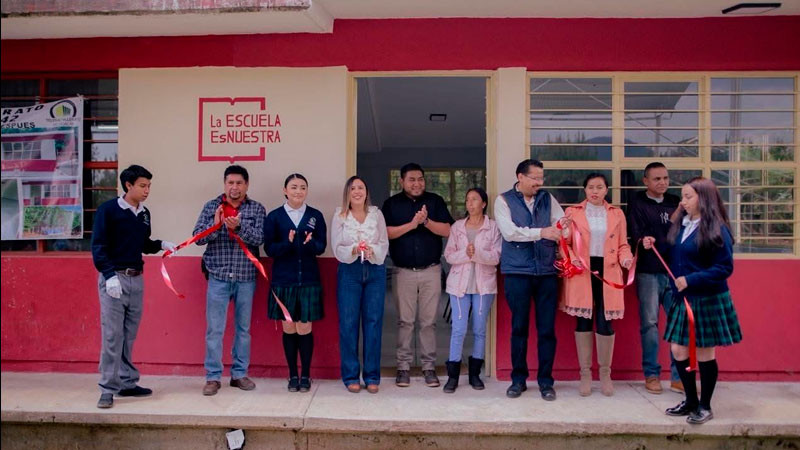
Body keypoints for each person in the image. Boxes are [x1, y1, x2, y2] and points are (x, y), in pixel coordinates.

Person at [643, 177, 742, 424]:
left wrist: (691, 279)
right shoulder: (683, 223)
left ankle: (705, 406)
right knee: (678, 349)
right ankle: (690, 401)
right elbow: (674, 251)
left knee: (705, 352)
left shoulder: (717, 227)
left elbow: (724, 267)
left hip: (706, 297)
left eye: (688, 197)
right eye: (683, 196)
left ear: (704, 198)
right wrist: (655, 243)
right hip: (683, 297)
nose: (683, 201)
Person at [91, 164, 175, 408]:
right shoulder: (108, 210)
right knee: (112, 335)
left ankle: (127, 383)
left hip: (136, 278)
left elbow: (143, 244)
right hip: (113, 280)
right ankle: (107, 388)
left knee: (129, 335)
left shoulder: (144, 213)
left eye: (149, 186)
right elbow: (98, 247)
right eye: (142, 185)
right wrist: (109, 276)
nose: (147, 190)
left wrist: (160, 244)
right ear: (128, 185)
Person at [494, 159, 564, 401]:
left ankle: (546, 381)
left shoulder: (548, 198)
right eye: (534, 177)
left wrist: (563, 229)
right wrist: (542, 232)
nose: (539, 182)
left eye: (541, 178)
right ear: (520, 177)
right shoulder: (503, 200)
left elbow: (560, 224)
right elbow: (509, 231)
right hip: (517, 273)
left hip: (546, 272)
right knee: (519, 328)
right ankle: (518, 380)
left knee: (547, 330)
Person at [193, 165, 265, 396]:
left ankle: (239, 374)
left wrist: (240, 227)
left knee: (243, 329)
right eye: (230, 183)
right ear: (225, 184)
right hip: (218, 276)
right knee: (215, 329)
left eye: (239, 183)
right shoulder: (211, 206)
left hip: (246, 277)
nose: (234, 187)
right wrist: (216, 225)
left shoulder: (256, 209)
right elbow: (198, 238)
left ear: (247, 185)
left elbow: (260, 238)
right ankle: (213, 377)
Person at [560, 173, 633, 397]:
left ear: (606, 190)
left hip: (608, 270)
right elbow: (565, 242)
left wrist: (626, 259)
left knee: (605, 323)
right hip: (583, 271)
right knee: (583, 321)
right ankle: (585, 374)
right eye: (591, 187)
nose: (595, 191)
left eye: (599, 187)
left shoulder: (617, 213)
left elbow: (622, 244)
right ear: (584, 190)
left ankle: (605, 374)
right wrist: (570, 257)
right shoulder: (572, 212)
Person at [382, 163, 454, 388]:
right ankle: (403, 367)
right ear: (401, 181)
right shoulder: (391, 204)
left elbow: (449, 230)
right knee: (405, 322)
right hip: (402, 272)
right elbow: (385, 233)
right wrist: (412, 224)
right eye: (411, 179)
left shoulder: (435, 201)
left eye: (420, 179)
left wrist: (426, 222)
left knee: (428, 323)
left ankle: (428, 367)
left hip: (431, 271)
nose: (417, 183)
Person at [264, 173, 327, 393]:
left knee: (304, 327)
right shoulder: (274, 217)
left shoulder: (315, 216)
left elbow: (321, 247)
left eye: (302, 187)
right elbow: (270, 249)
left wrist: (309, 244)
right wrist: (288, 243)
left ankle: (306, 375)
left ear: (306, 191)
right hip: (284, 281)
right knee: (289, 327)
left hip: (308, 280)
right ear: (285, 190)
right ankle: (292, 375)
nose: (298, 191)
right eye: (293, 187)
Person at [627, 162, 682, 395]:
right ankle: (651, 374)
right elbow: (635, 233)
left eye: (666, 178)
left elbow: (684, 232)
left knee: (678, 324)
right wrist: (643, 240)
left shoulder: (676, 202)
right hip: (649, 272)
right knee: (649, 324)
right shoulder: (637, 203)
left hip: (676, 273)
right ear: (645, 181)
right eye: (657, 179)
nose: (662, 183)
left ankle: (679, 376)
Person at [331, 176, 389, 394]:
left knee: (373, 322)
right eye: (353, 188)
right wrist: (354, 249)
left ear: (366, 192)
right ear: (347, 192)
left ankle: (372, 376)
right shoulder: (339, 215)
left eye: (361, 187)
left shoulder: (376, 214)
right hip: (350, 270)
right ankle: (351, 375)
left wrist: (373, 250)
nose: (357, 191)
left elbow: (384, 241)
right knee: (348, 323)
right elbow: (336, 246)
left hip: (375, 269)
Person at [442, 188, 501, 394]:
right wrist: (466, 254)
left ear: (483, 203)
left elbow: (496, 257)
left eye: (474, 199)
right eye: (467, 200)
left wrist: (478, 254)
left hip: (483, 286)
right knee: (458, 329)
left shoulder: (492, 227)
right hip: (459, 285)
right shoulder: (457, 227)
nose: (470, 203)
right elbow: (449, 255)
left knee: (479, 329)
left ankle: (475, 374)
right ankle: (453, 376)